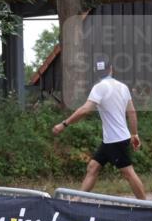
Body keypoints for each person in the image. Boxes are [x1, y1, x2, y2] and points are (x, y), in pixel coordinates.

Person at [52, 57, 146, 199]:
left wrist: (64, 124)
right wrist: (134, 134)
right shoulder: (123, 87)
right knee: (93, 167)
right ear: (111, 69)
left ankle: (147, 206)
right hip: (112, 140)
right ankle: (77, 201)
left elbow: (85, 110)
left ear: (97, 72)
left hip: (116, 140)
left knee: (128, 173)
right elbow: (132, 112)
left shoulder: (99, 88)